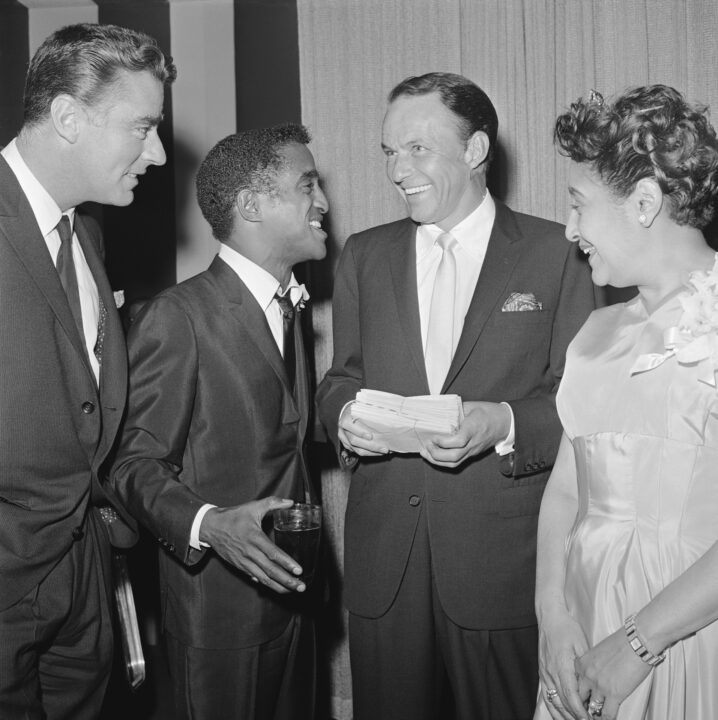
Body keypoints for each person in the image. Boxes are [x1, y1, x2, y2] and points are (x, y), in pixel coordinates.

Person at [316, 71, 597, 720]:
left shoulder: (559, 254)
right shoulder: (364, 255)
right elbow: (340, 379)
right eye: (389, 151)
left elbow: (583, 404)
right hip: (386, 563)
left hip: (502, 567)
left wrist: (502, 420)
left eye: (417, 148)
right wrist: (347, 417)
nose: (397, 170)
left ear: (475, 151)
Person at [110, 124, 328, 720]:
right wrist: (208, 524)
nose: (324, 202)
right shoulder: (176, 318)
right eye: (307, 184)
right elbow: (131, 464)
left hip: (297, 604)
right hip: (218, 621)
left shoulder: (290, 307)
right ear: (252, 205)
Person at [0, 23, 175, 720]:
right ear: (68, 117)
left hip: (85, 577)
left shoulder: (88, 233)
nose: (158, 153)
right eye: (142, 128)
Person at [534, 84, 718, 720]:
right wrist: (552, 617)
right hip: (582, 633)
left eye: (579, 205)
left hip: (686, 637)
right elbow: (564, 491)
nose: (569, 229)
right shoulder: (595, 335)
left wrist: (639, 642)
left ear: (644, 203)